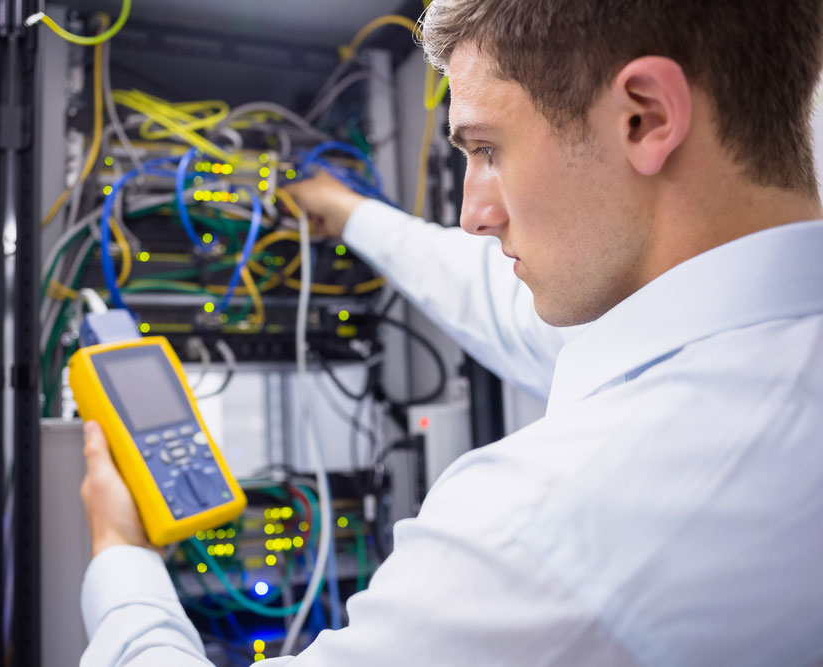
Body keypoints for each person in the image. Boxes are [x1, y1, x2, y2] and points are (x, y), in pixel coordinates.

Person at [79, 0, 823, 664]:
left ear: (646, 117)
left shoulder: (548, 531)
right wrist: (347, 212)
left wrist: (120, 556)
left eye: (488, 149)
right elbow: (494, 299)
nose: (473, 212)